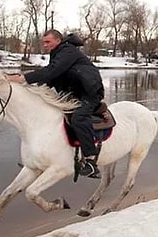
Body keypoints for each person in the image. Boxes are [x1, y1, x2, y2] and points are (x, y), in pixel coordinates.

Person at [7, 29, 104, 178]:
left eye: (48, 42)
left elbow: (52, 71)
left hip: (89, 93)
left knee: (78, 117)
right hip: (74, 93)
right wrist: (30, 89)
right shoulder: (57, 53)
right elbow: (51, 78)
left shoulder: (68, 51)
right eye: (44, 42)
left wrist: (23, 78)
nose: (45, 45)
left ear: (58, 41)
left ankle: (91, 161)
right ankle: (46, 157)